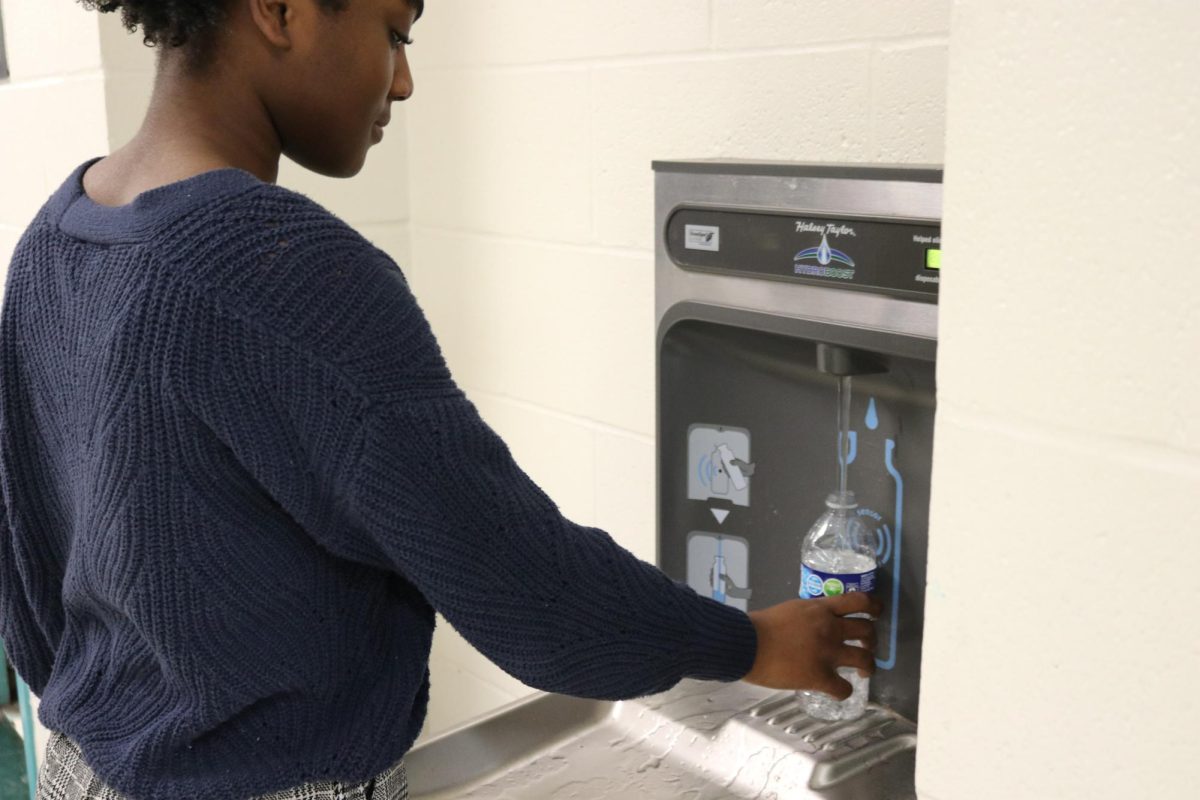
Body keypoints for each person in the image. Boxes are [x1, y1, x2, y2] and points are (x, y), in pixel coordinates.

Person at [0, 1, 882, 798]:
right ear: (278, 10)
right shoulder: (276, 265)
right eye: (394, 32)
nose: (406, 80)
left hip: (82, 771)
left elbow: (29, 588)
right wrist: (756, 644)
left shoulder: (51, 240)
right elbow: (528, 590)